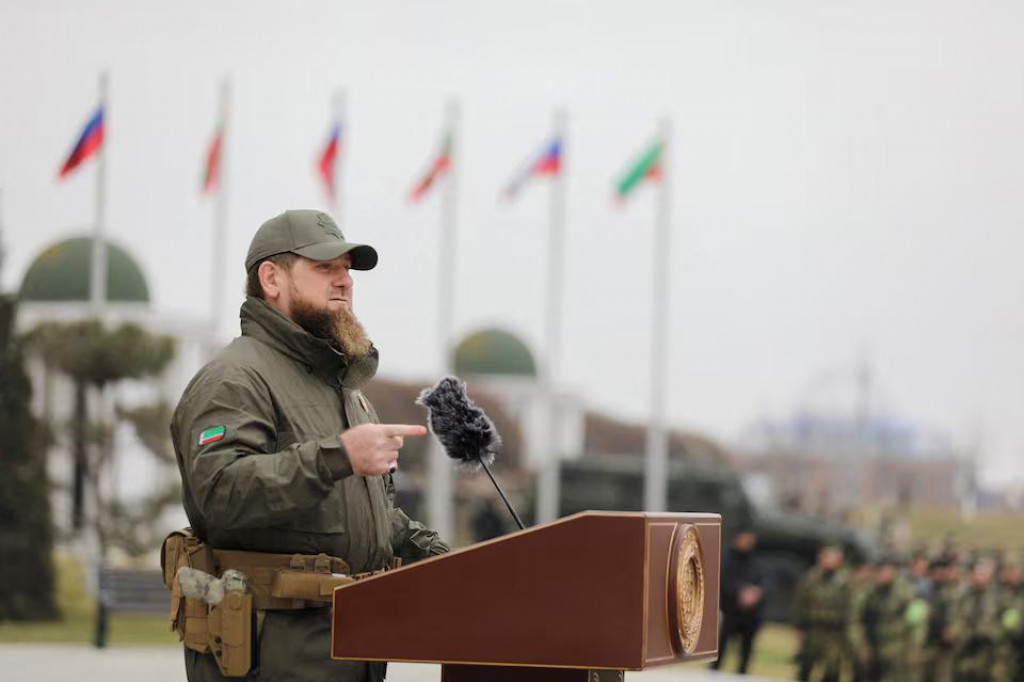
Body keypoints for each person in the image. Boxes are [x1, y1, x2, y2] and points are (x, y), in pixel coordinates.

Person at [170, 210, 450, 682]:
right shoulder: (234, 379)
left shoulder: (343, 390)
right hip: (272, 657)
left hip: (346, 652)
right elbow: (219, 494)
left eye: (347, 270)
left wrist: (451, 562)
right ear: (272, 278)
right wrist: (339, 457)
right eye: (325, 268)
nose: (344, 281)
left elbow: (353, 519)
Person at [848, 554, 926, 682]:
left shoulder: (905, 590)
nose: (883, 575)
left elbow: (917, 622)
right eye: (880, 571)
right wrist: (860, 646)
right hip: (872, 650)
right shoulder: (865, 591)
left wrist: (914, 648)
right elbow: (854, 621)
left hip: (898, 651)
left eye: (888, 571)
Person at [792, 545, 853, 682]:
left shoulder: (845, 582)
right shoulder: (810, 578)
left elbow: (851, 608)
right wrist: (798, 631)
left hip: (834, 633)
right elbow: (799, 605)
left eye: (834, 558)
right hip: (813, 630)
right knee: (805, 667)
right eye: (828, 557)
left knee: (832, 670)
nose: (830, 561)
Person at [711, 528, 766, 675]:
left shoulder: (756, 561)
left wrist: (755, 593)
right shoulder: (725, 558)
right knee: (720, 649)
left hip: (749, 615)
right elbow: (721, 580)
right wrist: (740, 592)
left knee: (745, 652)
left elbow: (763, 582)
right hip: (729, 611)